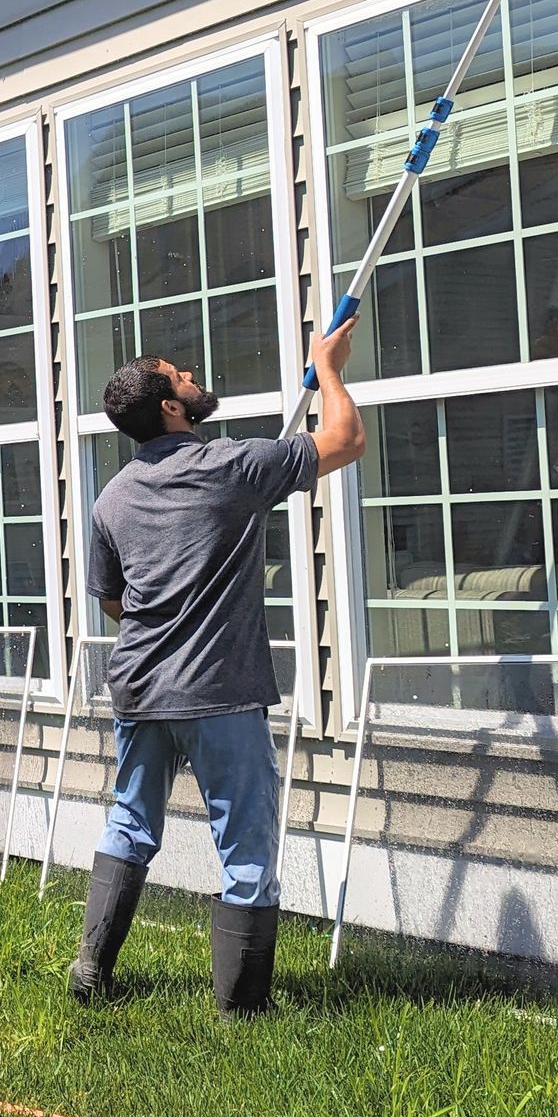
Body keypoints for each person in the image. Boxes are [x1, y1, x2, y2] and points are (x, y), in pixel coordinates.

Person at [69, 318, 365, 1018]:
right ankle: (243, 1011)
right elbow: (346, 439)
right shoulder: (232, 466)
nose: (193, 376)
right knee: (247, 851)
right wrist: (327, 365)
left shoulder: (111, 498)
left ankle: (91, 971)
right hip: (219, 694)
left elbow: (115, 601)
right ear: (171, 407)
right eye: (181, 375)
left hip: (140, 689)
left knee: (130, 825)